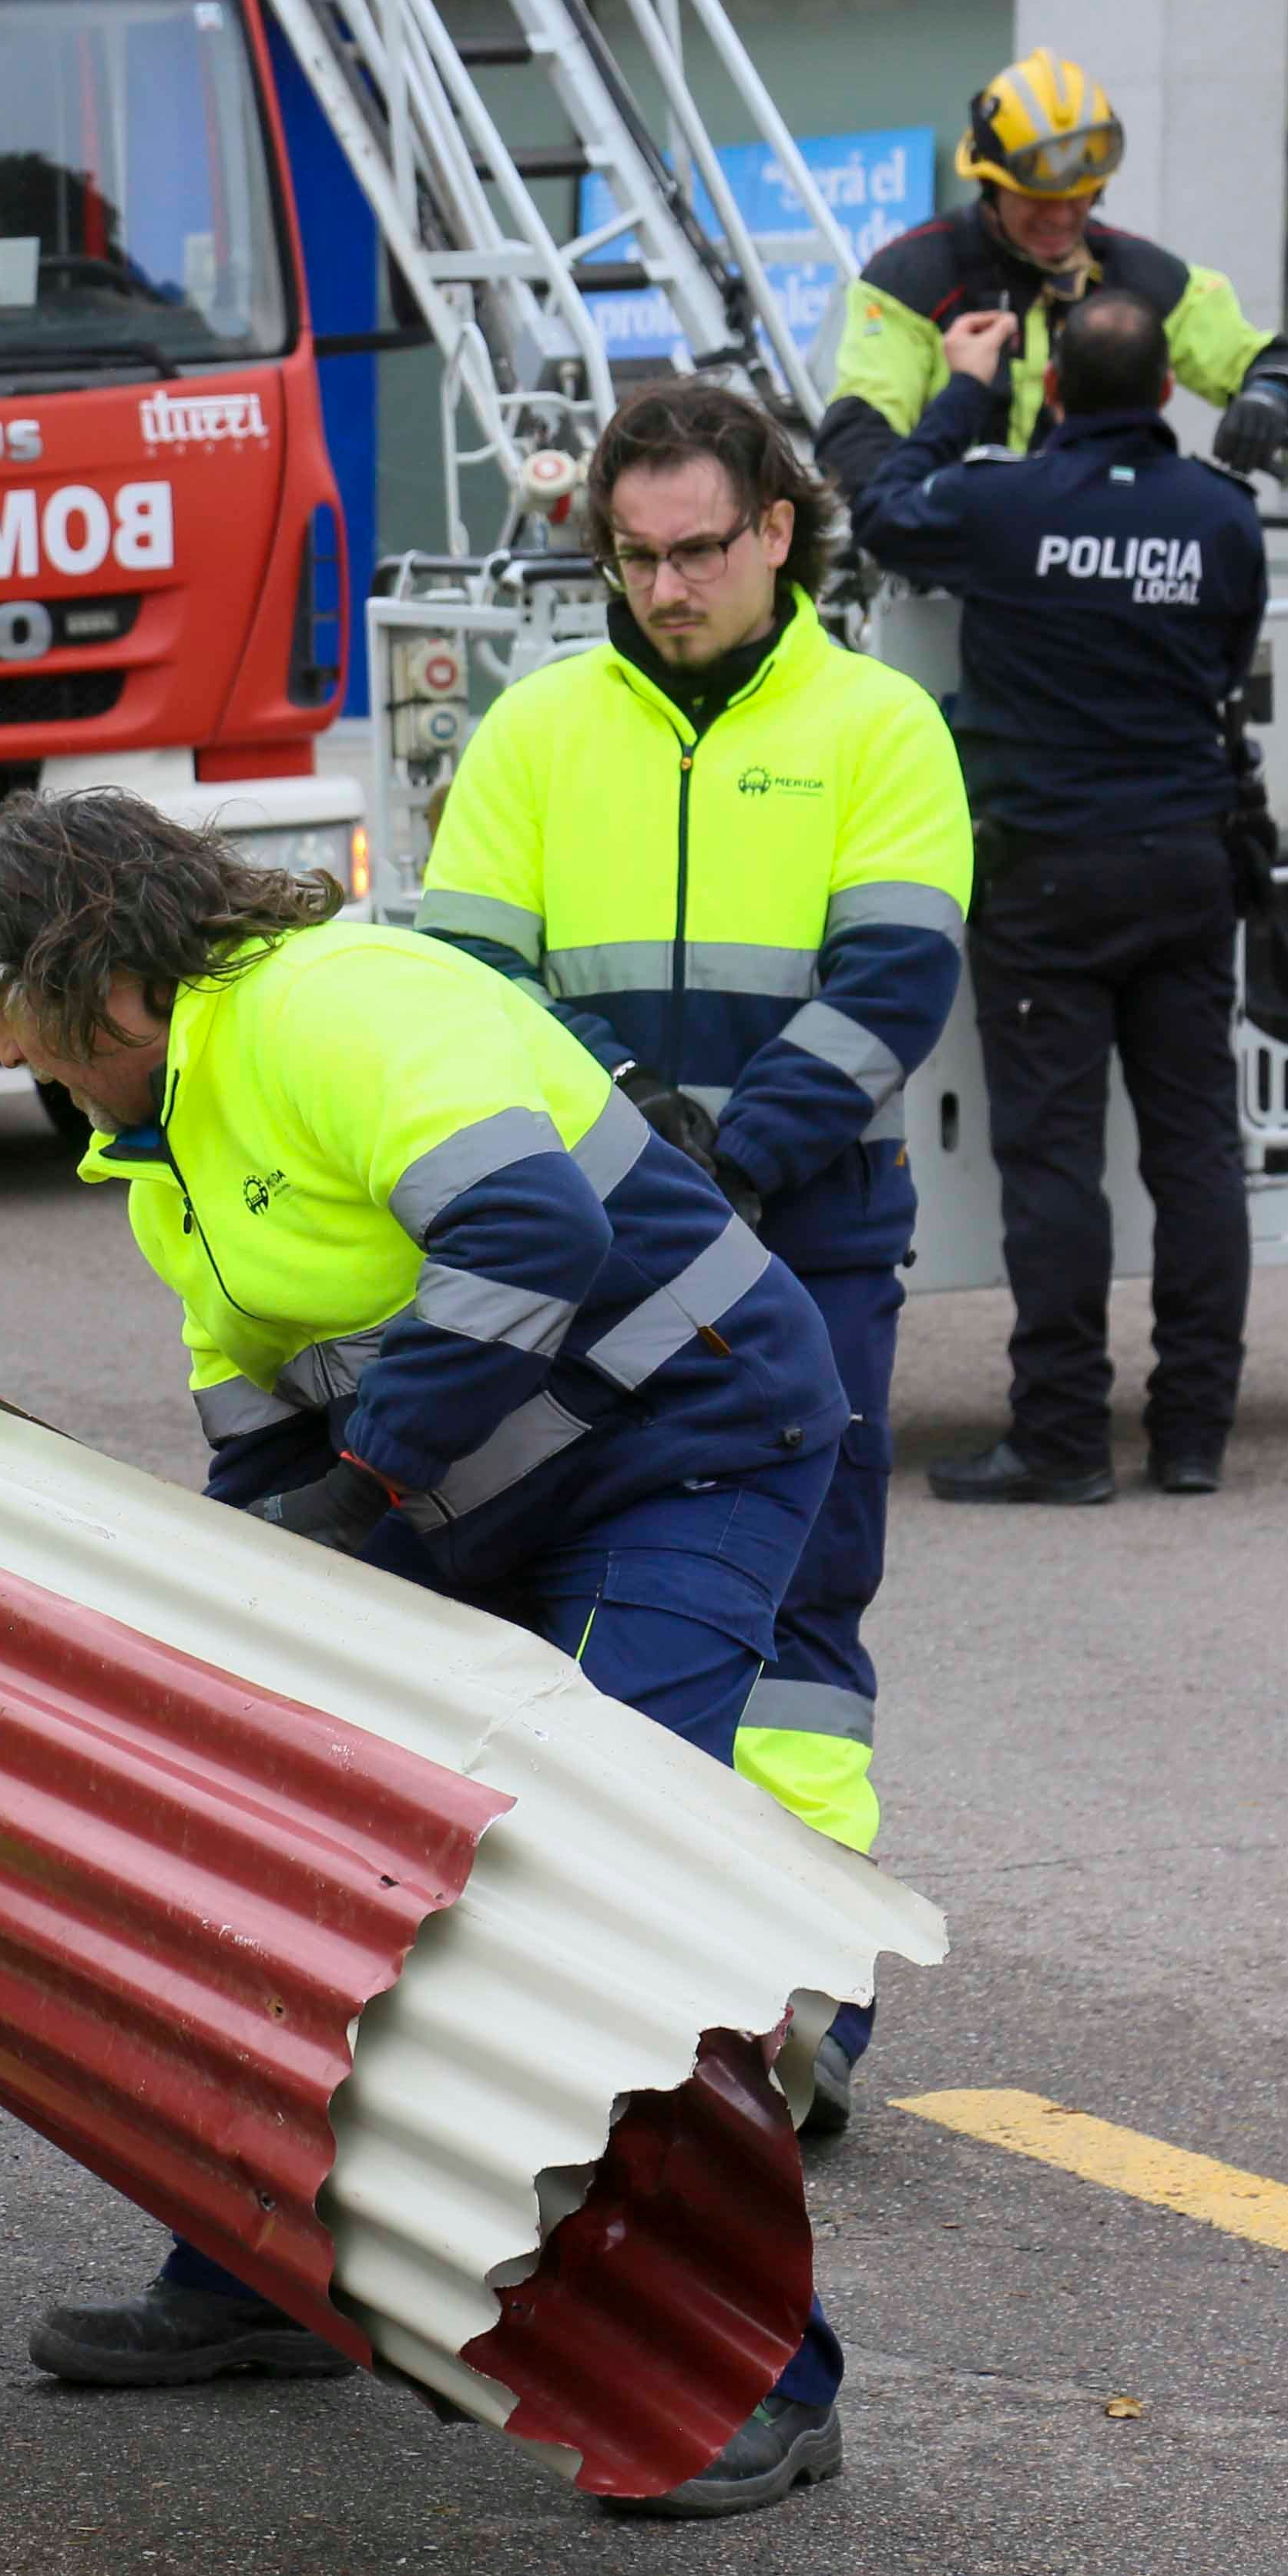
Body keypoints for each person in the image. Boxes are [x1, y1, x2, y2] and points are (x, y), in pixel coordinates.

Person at [0, 788, 859, 2520]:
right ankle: (259, 2278)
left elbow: (534, 1236)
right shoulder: (161, 1153)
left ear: (107, 980)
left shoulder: (326, 1009)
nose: (0, 1045)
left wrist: (365, 1486)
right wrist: (244, 1597)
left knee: (608, 1910)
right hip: (495, 1491)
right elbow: (261, 1422)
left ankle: (765, 2378)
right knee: (307, 1849)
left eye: (12, 996)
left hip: (694, 1438)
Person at [410, 380, 970, 2121]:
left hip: (803, 1241)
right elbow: (468, 977)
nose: (664, 588)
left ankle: (798, 2015)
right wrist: (630, 1126)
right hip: (587, 1254)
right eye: (634, 557)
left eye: (698, 552)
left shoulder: (877, 725)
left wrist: (716, 1154)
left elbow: (891, 981)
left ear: (776, 530)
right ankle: (615, 1990)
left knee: (799, 1628)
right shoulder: (531, 726)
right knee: (594, 1603)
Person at [854, 293, 1266, 1506]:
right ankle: (1193, 1435)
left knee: (1053, 1162)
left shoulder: (1003, 502)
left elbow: (883, 509)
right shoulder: (1220, 514)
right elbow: (1230, 651)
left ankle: (1063, 1439)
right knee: (1197, 1153)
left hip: (1045, 874)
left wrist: (965, 392)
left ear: (1055, 395)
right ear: (1167, 395)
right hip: (1188, 858)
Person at [813, 49, 1288, 501]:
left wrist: (1267, 397)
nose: (1061, 217)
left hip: (1095, 562)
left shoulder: (1138, 276)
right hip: (957, 572)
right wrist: (916, 526)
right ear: (990, 184)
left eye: (1080, 195)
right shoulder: (913, 275)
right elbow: (860, 430)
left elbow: (1264, 361)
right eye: (1038, 198)